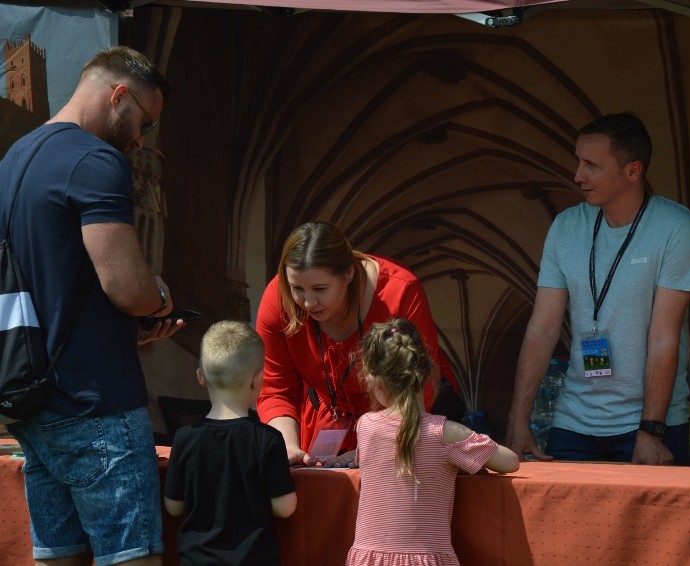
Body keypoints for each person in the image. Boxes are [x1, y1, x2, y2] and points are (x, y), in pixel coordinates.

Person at [0, 46, 182, 565]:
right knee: (132, 559)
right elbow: (127, 288)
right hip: (96, 400)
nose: (141, 140)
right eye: (144, 122)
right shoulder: (96, 159)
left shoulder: (13, 160)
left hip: (33, 402)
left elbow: (51, 281)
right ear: (118, 95)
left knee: (57, 557)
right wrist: (161, 298)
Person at [506, 112, 690, 466]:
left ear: (632, 171)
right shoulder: (566, 227)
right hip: (574, 420)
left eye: (592, 165)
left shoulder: (676, 227)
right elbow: (543, 328)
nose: (577, 175)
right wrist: (517, 421)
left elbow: (664, 336)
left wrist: (650, 431)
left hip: (649, 423)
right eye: (579, 162)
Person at [256, 220, 460, 467]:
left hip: (403, 429)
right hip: (324, 423)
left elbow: (419, 388)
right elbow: (276, 389)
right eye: (297, 288)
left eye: (320, 288)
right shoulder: (278, 298)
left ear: (349, 273)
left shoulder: (400, 291)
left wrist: (371, 446)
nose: (308, 302)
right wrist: (287, 446)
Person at [346, 318, 519, 566]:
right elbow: (511, 461)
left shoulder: (365, 426)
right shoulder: (445, 433)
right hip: (426, 560)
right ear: (426, 373)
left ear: (373, 379)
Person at [164, 321, 297, 565]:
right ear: (258, 379)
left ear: (200, 377)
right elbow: (285, 507)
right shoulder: (268, 439)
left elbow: (173, 507)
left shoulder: (184, 439)